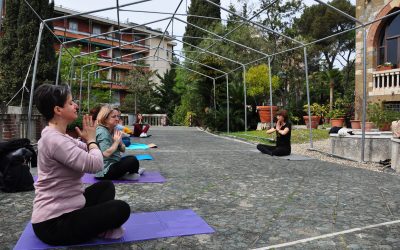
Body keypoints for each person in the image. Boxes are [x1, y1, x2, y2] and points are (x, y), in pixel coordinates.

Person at [32, 84, 130, 246]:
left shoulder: (58, 135)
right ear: (58, 110)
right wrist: (91, 140)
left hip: (70, 206)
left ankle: (93, 225)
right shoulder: (54, 140)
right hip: (53, 223)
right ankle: (97, 228)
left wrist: (88, 141)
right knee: (121, 208)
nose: (76, 105)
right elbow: (96, 163)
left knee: (106, 187)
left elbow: (87, 150)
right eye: (71, 103)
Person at [95, 105, 143, 180]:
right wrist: (116, 142)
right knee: (132, 160)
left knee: (133, 158)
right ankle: (127, 174)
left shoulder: (113, 129)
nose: (117, 119)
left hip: (115, 163)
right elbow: (105, 154)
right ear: (105, 119)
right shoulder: (102, 132)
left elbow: (123, 149)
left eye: (118, 116)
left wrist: (119, 142)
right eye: (114, 117)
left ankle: (129, 173)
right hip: (104, 171)